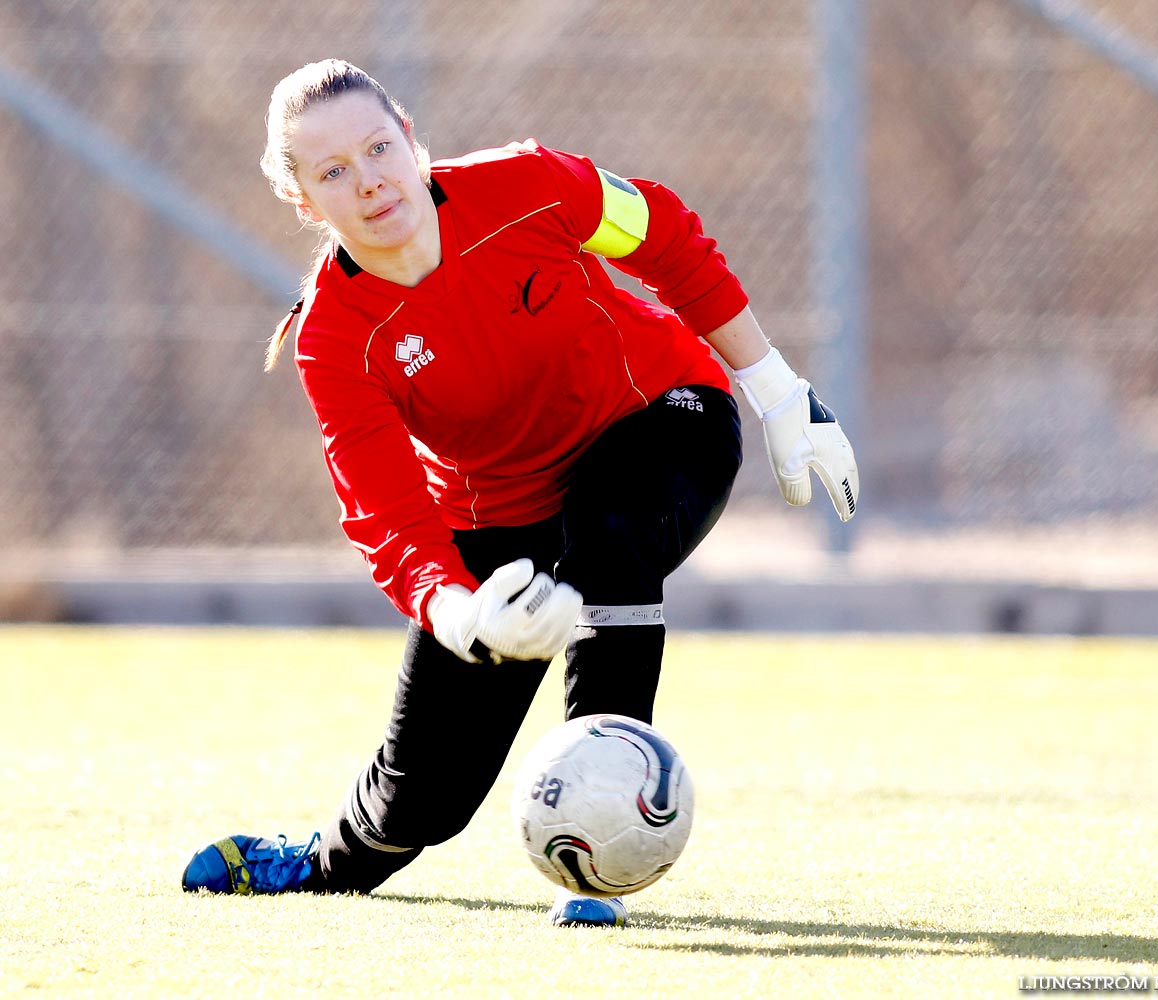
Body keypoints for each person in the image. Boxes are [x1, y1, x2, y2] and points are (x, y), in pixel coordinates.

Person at [181, 58, 859, 927]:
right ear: (307, 203)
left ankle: (595, 868)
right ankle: (318, 859)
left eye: (379, 147)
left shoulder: (530, 183)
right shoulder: (333, 340)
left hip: (664, 417)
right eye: (334, 172)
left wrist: (772, 384)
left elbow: (665, 233)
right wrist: (462, 614)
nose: (370, 180)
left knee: (611, 531)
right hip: (499, 517)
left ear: (413, 139)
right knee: (417, 805)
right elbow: (386, 515)